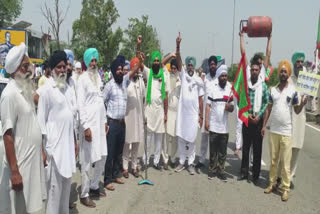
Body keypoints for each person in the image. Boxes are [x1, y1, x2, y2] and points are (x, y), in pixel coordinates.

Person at [0, 43, 45, 214]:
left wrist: (41, 150)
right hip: (20, 167)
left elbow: (33, 124)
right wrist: (15, 172)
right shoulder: (9, 95)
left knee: (31, 208)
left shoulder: (26, 89)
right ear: (16, 69)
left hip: (32, 162)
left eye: (29, 65)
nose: (30, 69)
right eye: (26, 66)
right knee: (18, 209)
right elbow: (8, 135)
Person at [37, 50, 77, 214]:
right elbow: (40, 124)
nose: (62, 70)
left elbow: (72, 119)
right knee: (53, 196)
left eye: (64, 66)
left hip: (67, 150)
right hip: (54, 152)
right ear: (52, 69)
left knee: (65, 195)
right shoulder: (46, 90)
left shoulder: (68, 88)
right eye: (59, 67)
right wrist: (43, 151)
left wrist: (75, 142)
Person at [262, 60, 307, 202]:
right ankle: (272, 183)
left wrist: (303, 103)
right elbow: (268, 109)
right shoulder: (273, 90)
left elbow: (297, 110)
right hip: (273, 131)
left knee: (286, 163)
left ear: (288, 73)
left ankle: (285, 188)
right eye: (281, 71)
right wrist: (264, 126)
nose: (283, 73)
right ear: (279, 73)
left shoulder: (292, 91)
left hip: (287, 132)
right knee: (274, 160)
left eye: (285, 71)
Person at [103, 54, 142, 190]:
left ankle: (116, 174)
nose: (120, 71)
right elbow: (102, 103)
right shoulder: (109, 86)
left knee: (119, 152)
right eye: (118, 69)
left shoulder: (125, 81)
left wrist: (140, 60)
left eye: (121, 69)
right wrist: (104, 122)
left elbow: (134, 69)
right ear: (114, 71)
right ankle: (107, 180)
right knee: (110, 152)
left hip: (122, 123)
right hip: (112, 123)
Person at [77, 48, 108, 208]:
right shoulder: (82, 79)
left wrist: (104, 121)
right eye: (91, 60)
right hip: (89, 126)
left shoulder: (98, 78)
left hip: (100, 125)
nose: (94, 63)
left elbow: (100, 102)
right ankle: (84, 193)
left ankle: (95, 185)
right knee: (87, 161)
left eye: (96, 60)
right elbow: (81, 105)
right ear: (86, 62)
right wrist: (85, 127)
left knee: (102, 156)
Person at [175, 33, 204, 175]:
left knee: (192, 139)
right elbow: (179, 61)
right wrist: (178, 46)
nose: (191, 66)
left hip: (193, 114)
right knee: (181, 137)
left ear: (195, 66)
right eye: (189, 64)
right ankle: (181, 162)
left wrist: (201, 116)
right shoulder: (183, 76)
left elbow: (200, 99)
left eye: (193, 65)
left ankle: (191, 163)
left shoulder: (199, 80)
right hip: (182, 113)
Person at [238, 59, 269, 184]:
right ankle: (244, 173)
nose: (254, 72)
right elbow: (242, 101)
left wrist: (259, 116)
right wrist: (248, 115)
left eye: (257, 70)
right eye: (252, 70)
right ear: (250, 71)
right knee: (245, 149)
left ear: (259, 71)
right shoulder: (246, 86)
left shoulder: (263, 86)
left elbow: (266, 102)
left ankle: (255, 176)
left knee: (257, 150)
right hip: (247, 120)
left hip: (258, 122)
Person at [205, 65, 234, 181]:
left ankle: (221, 170)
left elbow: (232, 108)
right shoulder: (213, 88)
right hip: (214, 125)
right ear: (218, 77)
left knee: (222, 152)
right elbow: (208, 106)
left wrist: (229, 107)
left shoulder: (230, 88)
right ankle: (212, 169)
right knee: (213, 151)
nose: (224, 77)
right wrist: (206, 121)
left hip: (224, 127)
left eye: (225, 76)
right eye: (222, 76)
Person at [142, 50, 169, 170]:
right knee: (148, 137)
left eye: (158, 61)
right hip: (149, 109)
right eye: (155, 61)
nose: (156, 62)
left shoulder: (164, 74)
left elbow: (166, 96)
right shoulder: (148, 72)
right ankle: (146, 159)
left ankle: (157, 161)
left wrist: (166, 114)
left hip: (160, 110)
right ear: (152, 62)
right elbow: (140, 63)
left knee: (159, 137)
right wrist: (138, 46)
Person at [122, 57, 145, 178]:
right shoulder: (126, 82)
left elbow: (144, 98)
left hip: (139, 116)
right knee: (127, 142)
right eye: (135, 68)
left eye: (138, 68)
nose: (137, 71)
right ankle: (125, 167)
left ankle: (134, 167)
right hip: (128, 117)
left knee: (136, 143)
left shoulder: (141, 81)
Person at [196, 55, 218, 169]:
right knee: (204, 138)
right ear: (209, 66)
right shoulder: (206, 80)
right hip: (206, 112)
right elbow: (201, 96)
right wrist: (200, 116)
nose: (213, 66)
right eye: (211, 64)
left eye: (214, 64)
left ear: (216, 65)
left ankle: (214, 161)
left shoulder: (219, 78)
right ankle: (202, 160)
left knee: (214, 139)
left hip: (216, 114)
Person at [162, 57, 180, 169]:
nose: (173, 70)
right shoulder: (166, 75)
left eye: (175, 68)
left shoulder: (181, 78)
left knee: (175, 138)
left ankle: (173, 158)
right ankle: (165, 159)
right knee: (165, 137)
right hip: (168, 111)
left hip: (177, 113)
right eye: (172, 68)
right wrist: (171, 55)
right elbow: (162, 63)